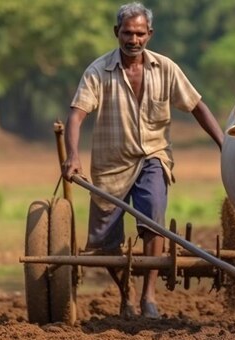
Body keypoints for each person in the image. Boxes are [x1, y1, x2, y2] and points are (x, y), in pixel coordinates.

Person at [61, 2, 223, 319]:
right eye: (127, 33)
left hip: (153, 157)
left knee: (153, 225)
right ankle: (128, 294)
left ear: (149, 34)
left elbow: (197, 107)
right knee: (105, 243)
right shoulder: (98, 71)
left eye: (139, 33)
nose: (132, 40)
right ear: (116, 33)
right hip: (110, 165)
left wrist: (224, 144)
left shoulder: (166, 68)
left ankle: (148, 296)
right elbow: (76, 116)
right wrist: (72, 156)